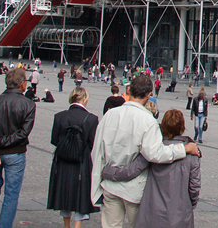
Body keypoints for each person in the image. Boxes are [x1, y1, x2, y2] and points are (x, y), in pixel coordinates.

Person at [90, 74, 201, 228]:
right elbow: (155, 154)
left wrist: (97, 182)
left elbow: (97, 152)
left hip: (110, 185)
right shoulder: (147, 120)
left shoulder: (109, 115)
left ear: (130, 91)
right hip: (134, 190)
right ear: (149, 94)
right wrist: (183, 148)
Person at [102, 109, 201, 228]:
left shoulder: (154, 149)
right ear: (182, 128)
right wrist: (190, 204)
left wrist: (107, 171)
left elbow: (130, 171)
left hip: (154, 209)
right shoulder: (191, 154)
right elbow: (194, 186)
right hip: (180, 210)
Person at [0, 67, 36, 228]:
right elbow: (23, 133)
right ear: (21, 84)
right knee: (11, 194)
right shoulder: (28, 104)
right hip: (15, 153)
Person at [47, 87, 99, 228]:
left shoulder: (59, 116)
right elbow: (92, 143)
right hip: (82, 162)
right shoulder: (92, 119)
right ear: (84, 99)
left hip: (63, 161)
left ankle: (66, 226)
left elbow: (54, 140)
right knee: (81, 195)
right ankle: (77, 226)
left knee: (64, 193)